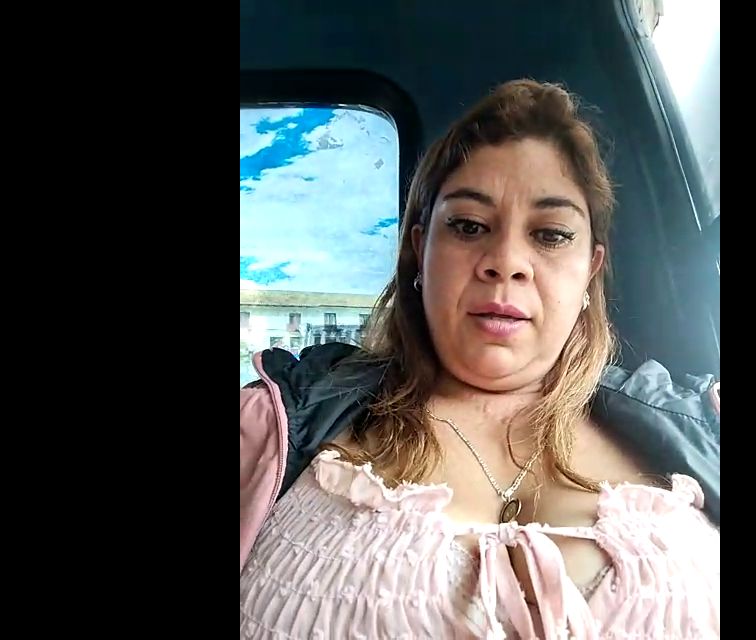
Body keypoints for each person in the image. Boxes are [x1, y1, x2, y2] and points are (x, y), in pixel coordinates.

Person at [240, 79, 720, 639]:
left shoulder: (704, 427)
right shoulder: (272, 423)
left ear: (590, 269)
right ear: (420, 250)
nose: (506, 261)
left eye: (550, 234)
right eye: (469, 226)